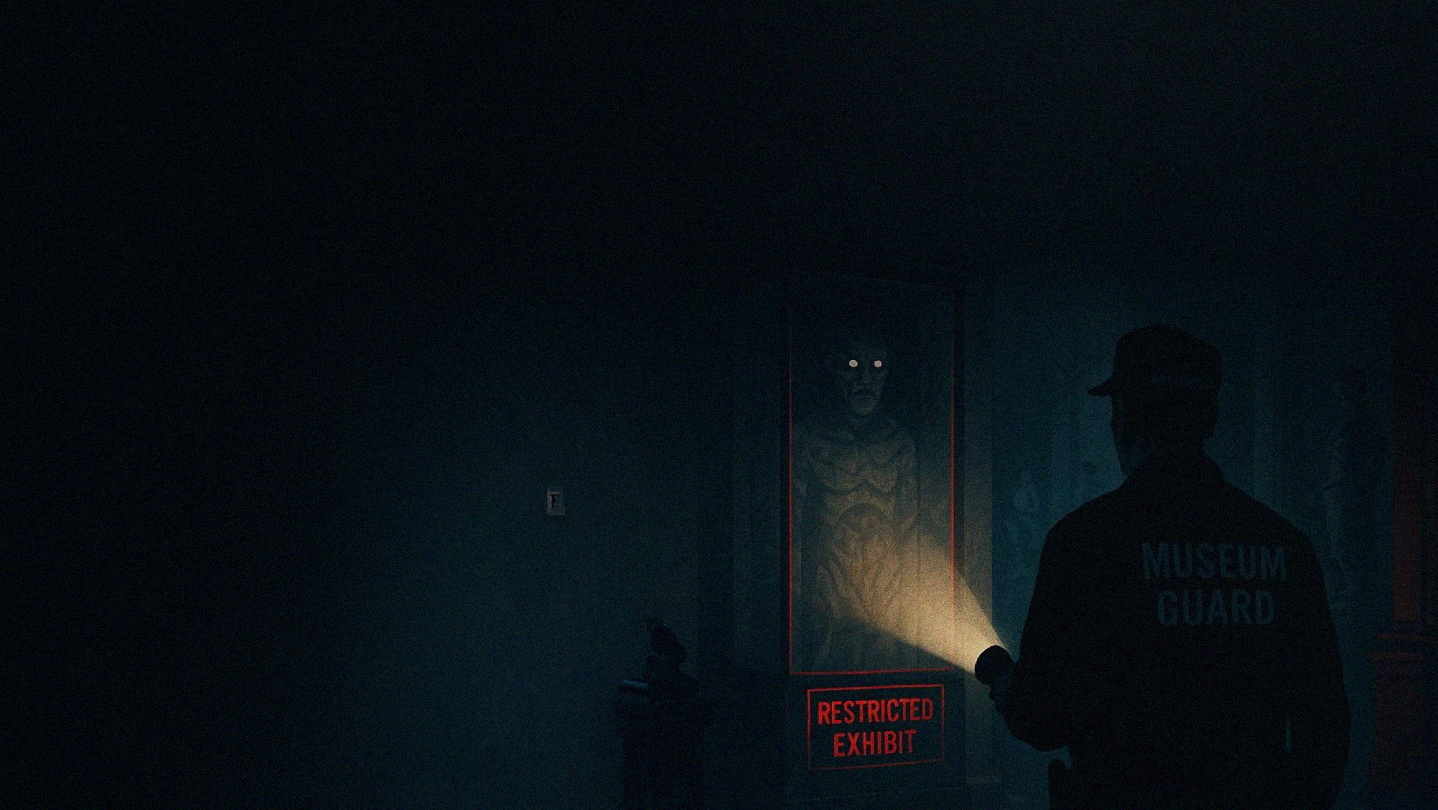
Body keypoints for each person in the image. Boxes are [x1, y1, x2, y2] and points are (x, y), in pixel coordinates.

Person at [986, 324, 1349, 809]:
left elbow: (1043, 718)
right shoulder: (1285, 546)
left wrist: (1006, 683)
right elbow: (1324, 724)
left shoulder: (1084, 541)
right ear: (1210, 419)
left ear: (1123, 418)